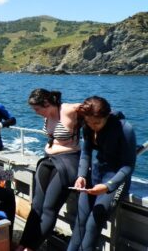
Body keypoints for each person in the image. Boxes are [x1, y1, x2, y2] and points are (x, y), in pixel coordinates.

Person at [67, 96, 136, 251]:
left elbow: (128, 166)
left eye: (97, 123)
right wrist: (81, 175)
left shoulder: (125, 129)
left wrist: (107, 186)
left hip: (115, 180)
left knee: (93, 224)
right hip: (93, 177)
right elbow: (85, 154)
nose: (93, 126)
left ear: (107, 116)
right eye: (89, 122)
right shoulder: (88, 126)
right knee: (80, 221)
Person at [16, 89, 81, 251]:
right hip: (48, 160)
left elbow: (101, 110)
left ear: (47, 103)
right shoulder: (47, 115)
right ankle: (22, 244)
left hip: (67, 162)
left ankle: (31, 248)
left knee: (49, 208)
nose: (36, 113)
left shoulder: (69, 109)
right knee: (36, 205)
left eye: (37, 109)